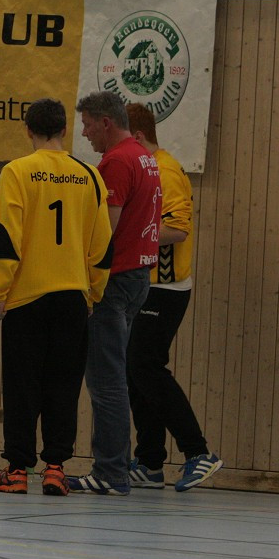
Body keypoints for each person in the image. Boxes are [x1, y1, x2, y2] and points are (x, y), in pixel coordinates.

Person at [0, 98, 113, 495]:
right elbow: (102, 243)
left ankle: (18, 469)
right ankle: (56, 467)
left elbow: (7, 235)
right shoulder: (89, 175)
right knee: (64, 382)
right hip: (72, 293)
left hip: (27, 296)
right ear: (64, 130)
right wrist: (93, 290)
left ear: (28, 130)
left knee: (23, 383)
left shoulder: (17, 172)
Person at [124, 103, 222, 492]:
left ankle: (199, 452)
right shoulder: (142, 169)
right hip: (141, 284)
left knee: (145, 364)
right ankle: (149, 461)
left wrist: (125, 237)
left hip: (164, 287)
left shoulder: (165, 171)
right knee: (135, 369)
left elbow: (177, 230)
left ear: (136, 137)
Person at [69, 91, 162, 495]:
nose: (85, 133)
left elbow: (105, 229)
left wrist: (86, 276)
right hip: (139, 275)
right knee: (115, 377)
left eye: (88, 124)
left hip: (116, 278)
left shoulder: (118, 161)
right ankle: (114, 467)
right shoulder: (144, 155)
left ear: (105, 122)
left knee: (106, 381)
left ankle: (110, 471)